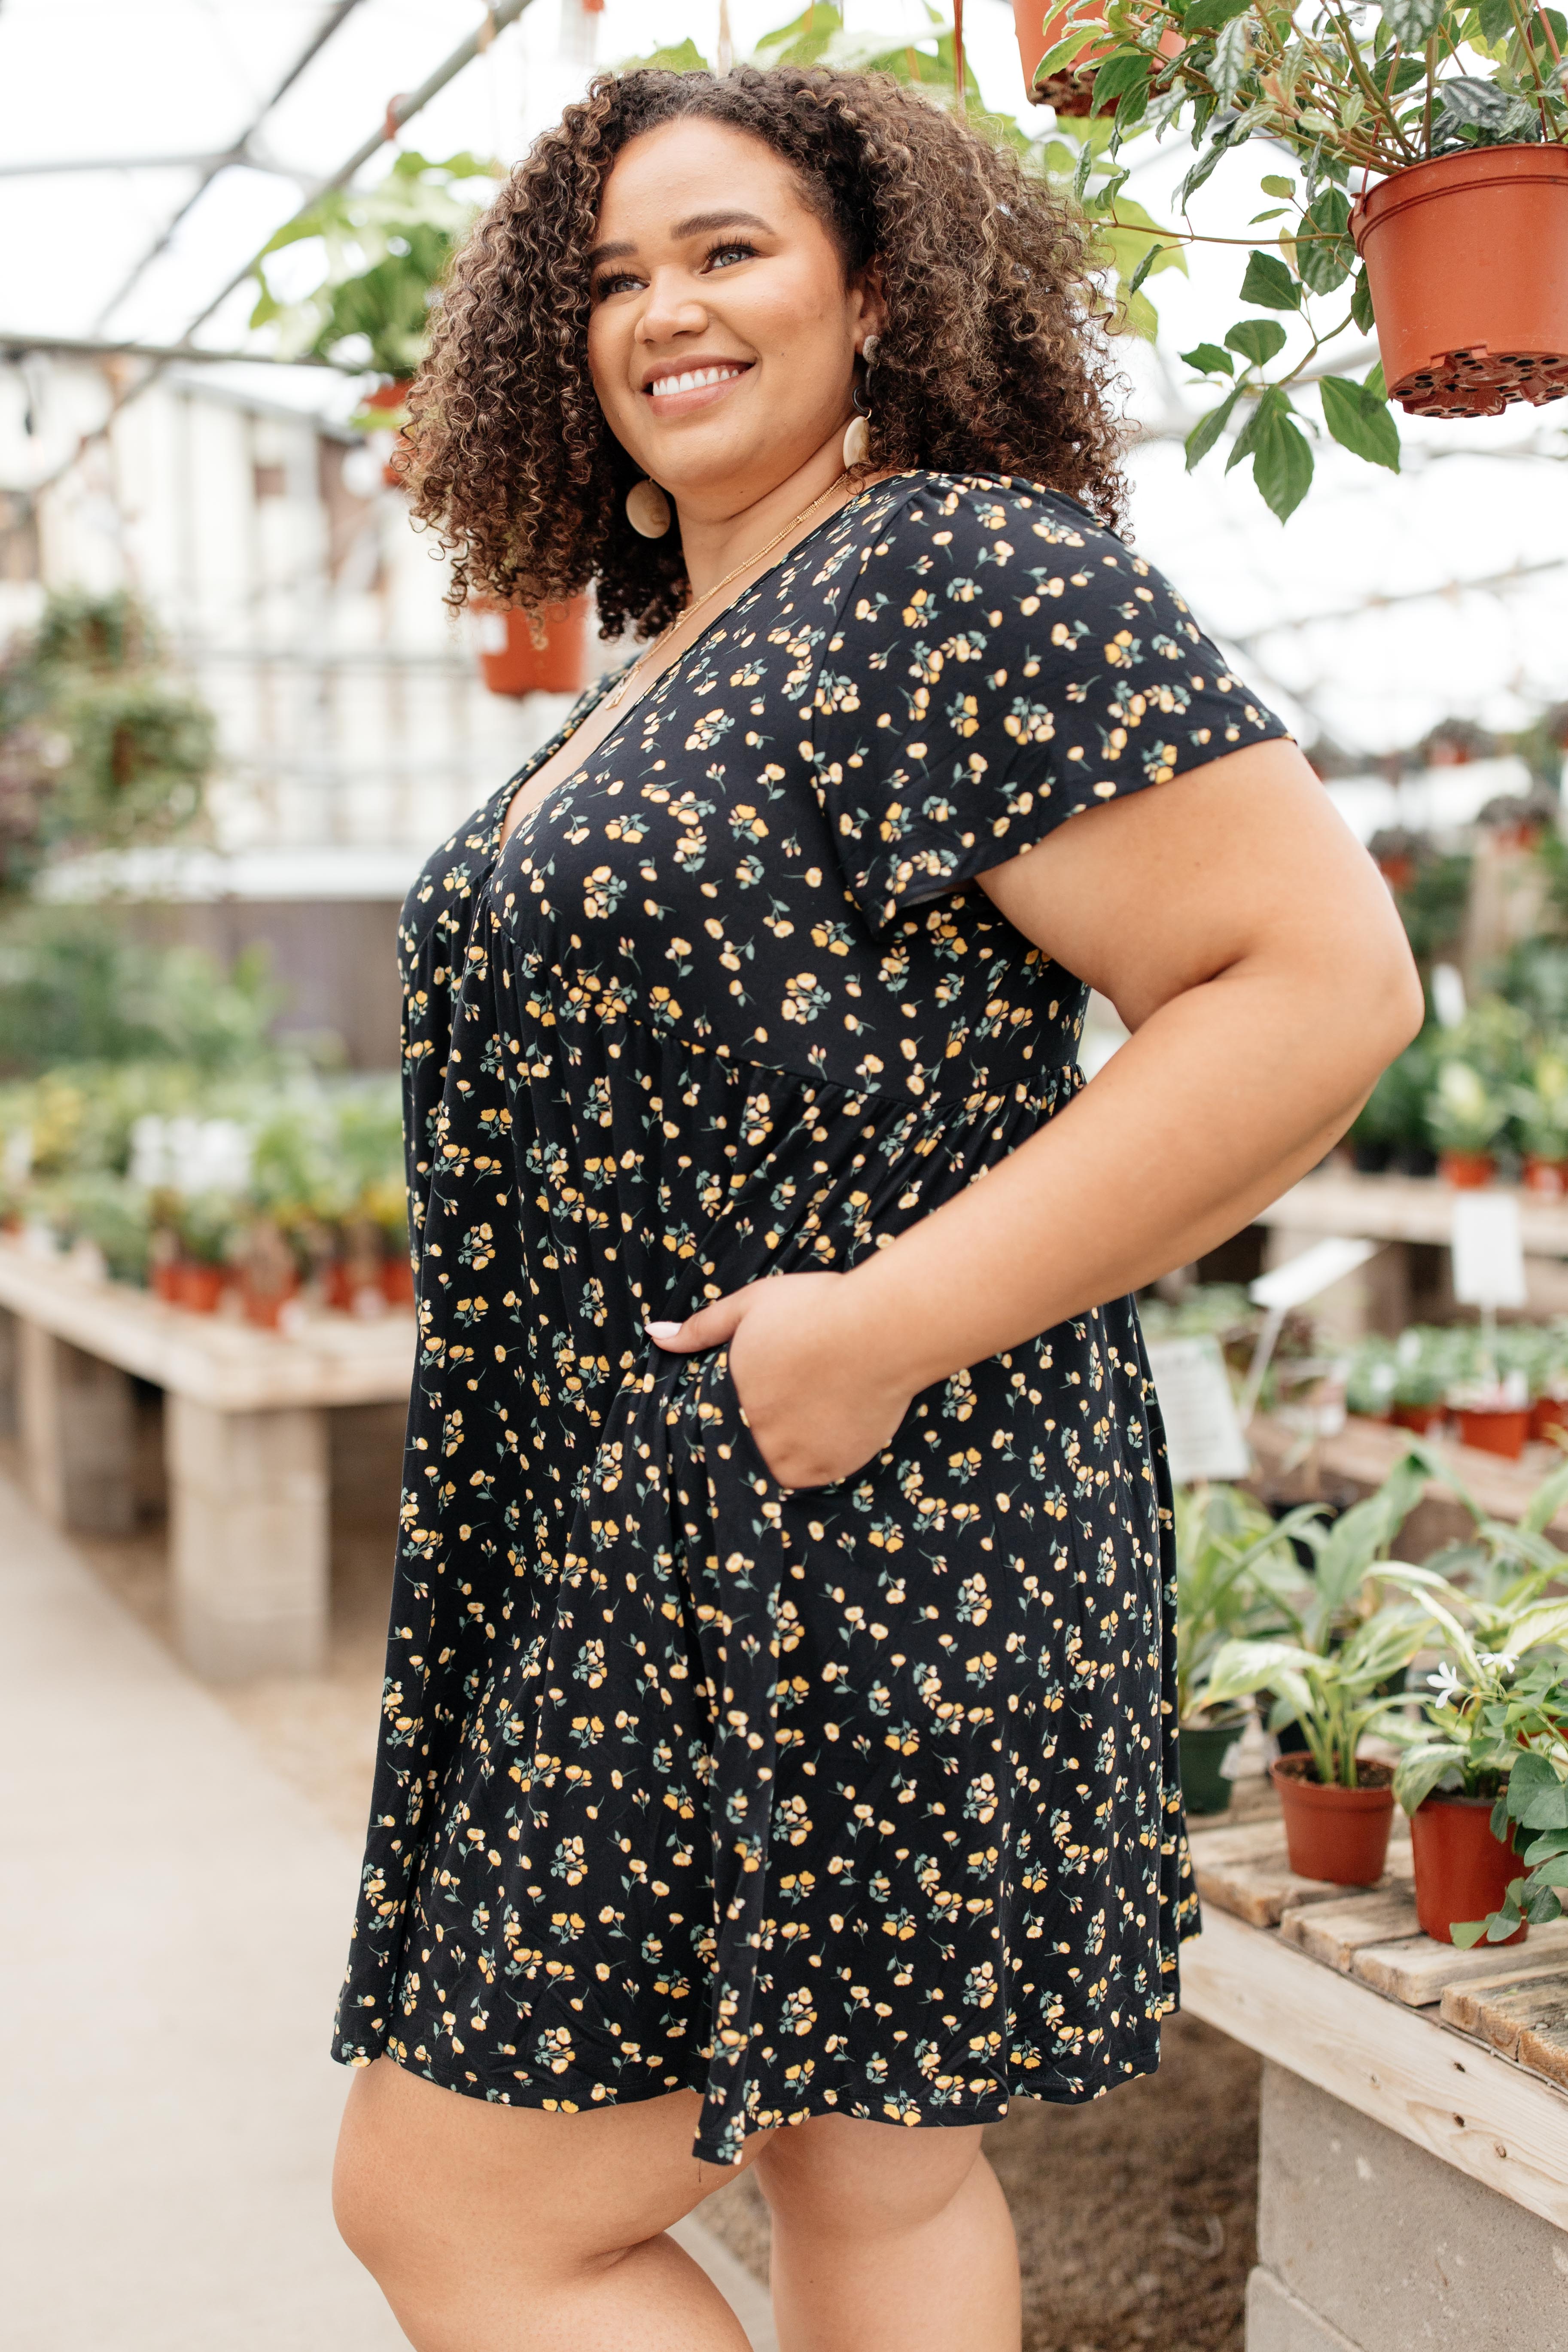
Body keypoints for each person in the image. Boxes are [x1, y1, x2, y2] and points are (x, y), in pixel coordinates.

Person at [331, 62, 1422, 2352]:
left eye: (726, 250)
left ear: (883, 287)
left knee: (461, 2205)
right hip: (691, 1522)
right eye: (611, 274)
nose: (663, 310)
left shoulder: (953, 568)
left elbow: (1315, 983)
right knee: (869, 2178)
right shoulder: (670, 657)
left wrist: (886, 1319)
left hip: (838, 1518)